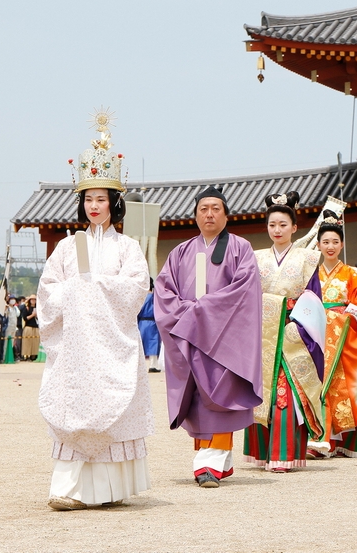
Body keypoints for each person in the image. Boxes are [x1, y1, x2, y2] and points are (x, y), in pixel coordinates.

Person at [38, 129, 153, 510]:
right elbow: (48, 290)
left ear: (114, 203)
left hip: (112, 344)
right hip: (76, 347)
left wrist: (94, 287)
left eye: (101, 199)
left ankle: (108, 490)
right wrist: (75, 290)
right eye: (88, 199)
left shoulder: (128, 247)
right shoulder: (67, 246)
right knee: (74, 407)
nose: (94, 206)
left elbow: (136, 288)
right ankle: (68, 489)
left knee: (112, 410)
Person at [155, 186, 263, 487]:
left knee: (221, 394)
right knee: (198, 397)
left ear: (227, 215)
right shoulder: (180, 252)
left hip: (224, 338)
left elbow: (244, 291)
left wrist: (205, 311)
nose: (210, 214)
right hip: (190, 336)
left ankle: (207, 464)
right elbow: (163, 292)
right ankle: (219, 460)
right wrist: (188, 314)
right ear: (195, 215)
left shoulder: (241, 249)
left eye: (216, 208)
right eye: (204, 209)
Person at [244, 191, 325, 471]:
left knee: (287, 391)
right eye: (272, 225)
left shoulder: (308, 259)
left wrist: (299, 327)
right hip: (262, 331)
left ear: (294, 228)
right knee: (261, 391)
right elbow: (246, 295)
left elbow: (313, 298)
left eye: (282, 225)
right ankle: (262, 452)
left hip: (293, 330)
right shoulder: (255, 258)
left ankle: (284, 454)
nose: (277, 230)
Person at [307, 210, 357, 459]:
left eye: (335, 241)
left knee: (348, 386)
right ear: (318, 245)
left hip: (345, 335)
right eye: (325, 241)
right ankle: (321, 440)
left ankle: (346, 441)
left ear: (342, 244)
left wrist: (340, 319)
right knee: (318, 385)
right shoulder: (310, 274)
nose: (330, 246)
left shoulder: (353, 275)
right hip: (317, 335)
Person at [138, 279, 162, 373]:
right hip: (152, 322)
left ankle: (140, 366)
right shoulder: (154, 297)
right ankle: (153, 365)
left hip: (141, 322)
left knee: (141, 343)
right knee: (153, 343)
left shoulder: (140, 297)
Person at [21, 296, 40, 360]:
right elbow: (25, 318)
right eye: (32, 299)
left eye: (35, 300)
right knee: (27, 342)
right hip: (28, 326)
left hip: (36, 327)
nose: (33, 301)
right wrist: (32, 315)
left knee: (35, 342)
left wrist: (36, 316)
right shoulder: (27, 308)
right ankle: (26, 356)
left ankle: (34, 355)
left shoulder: (38, 308)